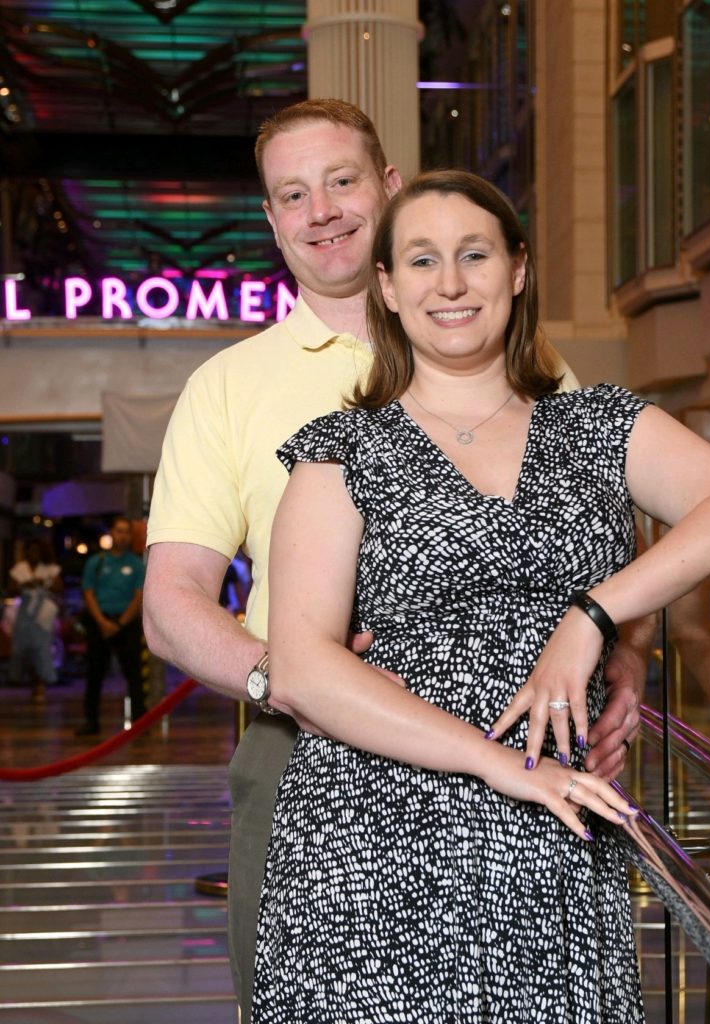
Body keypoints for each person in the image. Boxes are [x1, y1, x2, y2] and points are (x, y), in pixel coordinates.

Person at [143, 99, 649, 1022]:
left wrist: (626, 651)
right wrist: (288, 679)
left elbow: (608, 534)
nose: (321, 210)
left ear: (388, 186)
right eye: (292, 195)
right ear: (271, 219)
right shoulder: (226, 387)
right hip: (308, 759)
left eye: (341, 181)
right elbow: (171, 603)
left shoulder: (520, 358)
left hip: (519, 748)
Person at [253, 169, 710, 1022]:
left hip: (551, 836)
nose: (452, 283)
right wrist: (498, 763)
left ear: (518, 269)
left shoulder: (599, 424)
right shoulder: (339, 451)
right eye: (421, 262)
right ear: (387, 289)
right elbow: (302, 670)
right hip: (372, 837)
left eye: (474, 254)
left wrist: (593, 619)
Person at [76, 516, 146, 736]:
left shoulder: (136, 564)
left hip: (126, 624)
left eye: (127, 532)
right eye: (119, 531)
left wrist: (120, 623)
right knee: (94, 674)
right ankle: (91, 722)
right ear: (111, 533)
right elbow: (88, 592)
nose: (122, 536)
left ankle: (140, 723)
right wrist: (102, 622)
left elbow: (139, 595)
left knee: (134, 675)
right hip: (100, 623)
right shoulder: (96, 562)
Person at [7, 538, 63, 703]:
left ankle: (41, 683)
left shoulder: (50, 569)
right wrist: (24, 585)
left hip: (43, 615)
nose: (33, 555)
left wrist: (44, 583)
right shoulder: (20, 568)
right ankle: (22, 678)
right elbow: (11, 588)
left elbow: (59, 588)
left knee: (41, 649)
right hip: (25, 614)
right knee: (21, 648)